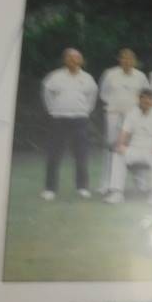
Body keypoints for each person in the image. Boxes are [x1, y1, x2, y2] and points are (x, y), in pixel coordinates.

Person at [40, 48, 98, 201]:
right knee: (54, 154)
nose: (73, 61)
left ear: (81, 60)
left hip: (79, 119)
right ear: (65, 60)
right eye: (70, 58)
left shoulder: (87, 78)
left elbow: (92, 97)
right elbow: (47, 94)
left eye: (76, 58)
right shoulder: (55, 77)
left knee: (81, 155)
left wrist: (85, 111)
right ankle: (50, 189)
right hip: (59, 119)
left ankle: (82, 188)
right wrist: (53, 110)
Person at [97, 48, 149, 194]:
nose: (127, 61)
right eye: (124, 58)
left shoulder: (140, 76)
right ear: (119, 60)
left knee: (138, 146)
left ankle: (141, 183)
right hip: (113, 115)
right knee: (112, 148)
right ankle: (106, 184)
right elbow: (103, 93)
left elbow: (145, 97)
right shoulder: (110, 74)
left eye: (130, 58)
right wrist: (115, 107)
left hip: (134, 116)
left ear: (135, 61)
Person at [104, 89, 152, 206]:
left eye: (149, 98)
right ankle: (117, 193)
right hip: (134, 149)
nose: (146, 100)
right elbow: (124, 133)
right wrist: (120, 145)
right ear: (139, 100)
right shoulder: (131, 114)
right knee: (118, 154)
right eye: (143, 98)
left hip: (151, 149)